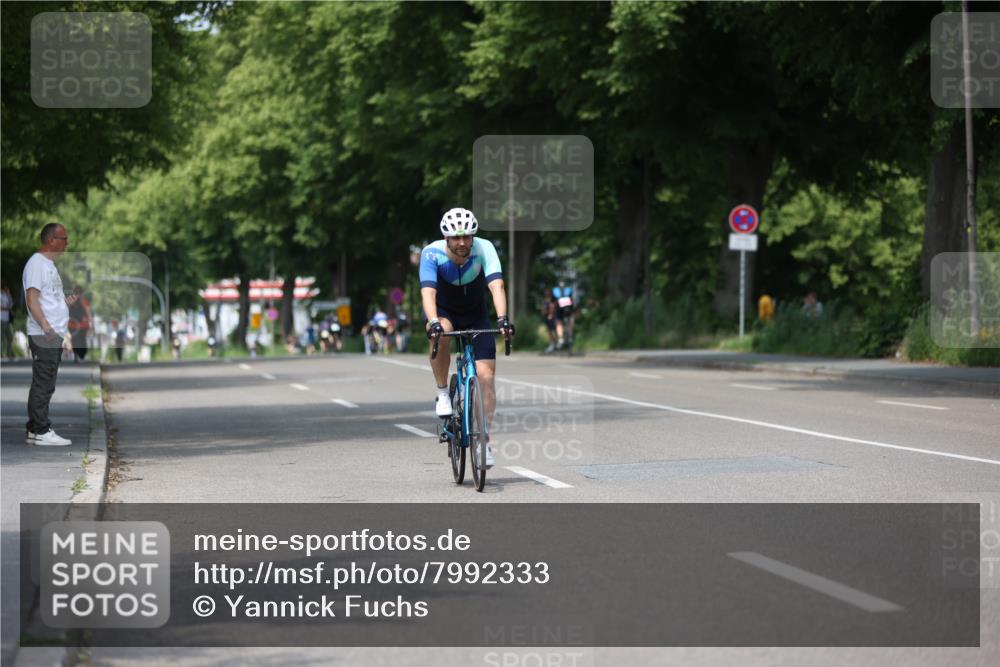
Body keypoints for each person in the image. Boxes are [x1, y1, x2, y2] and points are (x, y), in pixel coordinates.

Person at [420, 207, 514, 469]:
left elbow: (496, 285)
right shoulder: (432, 253)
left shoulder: (485, 249)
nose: (463, 243)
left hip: (476, 314)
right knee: (442, 334)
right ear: (446, 238)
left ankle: (484, 441)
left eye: (467, 237)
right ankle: (442, 393)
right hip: (444, 311)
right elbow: (428, 292)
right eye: (457, 238)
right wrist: (434, 322)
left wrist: (503, 318)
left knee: (486, 376)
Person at [22, 222, 76, 446]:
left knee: (46, 381)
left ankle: (36, 429)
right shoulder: (37, 264)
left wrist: (64, 303)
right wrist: (45, 326)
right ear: (51, 240)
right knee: (44, 382)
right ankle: (41, 429)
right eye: (64, 239)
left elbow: (47, 299)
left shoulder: (49, 265)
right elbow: (31, 299)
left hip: (52, 333)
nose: (67, 244)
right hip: (44, 334)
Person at [67, 285, 92, 362]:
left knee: (74, 340)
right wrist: (91, 323)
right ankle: (81, 354)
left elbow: (65, 310)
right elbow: (88, 312)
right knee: (82, 340)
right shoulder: (84, 300)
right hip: (83, 324)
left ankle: (76, 355)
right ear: (82, 293)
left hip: (73, 324)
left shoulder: (70, 299)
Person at [553, 281, 575, 349]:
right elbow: (572, 299)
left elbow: (554, 301)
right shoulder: (569, 289)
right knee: (570, 319)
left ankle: (561, 338)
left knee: (558, 322)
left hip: (559, 306)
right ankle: (570, 336)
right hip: (568, 305)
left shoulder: (555, 290)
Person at [542, 288, 558, 353]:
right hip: (546, 317)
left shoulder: (552, 300)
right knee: (549, 331)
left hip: (551, 317)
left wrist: (551, 315)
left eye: (547, 292)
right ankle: (552, 344)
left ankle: (554, 344)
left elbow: (553, 307)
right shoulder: (545, 299)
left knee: (552, 330)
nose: (546, 293)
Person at [1, 281, 14, 359]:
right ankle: (1, 354)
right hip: (1, 319)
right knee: (1, 338)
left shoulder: (6, 295)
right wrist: (7, 308)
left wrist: (8, 294)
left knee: (10, 337)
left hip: (7, 319)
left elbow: (11, 304)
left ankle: (8, 353)